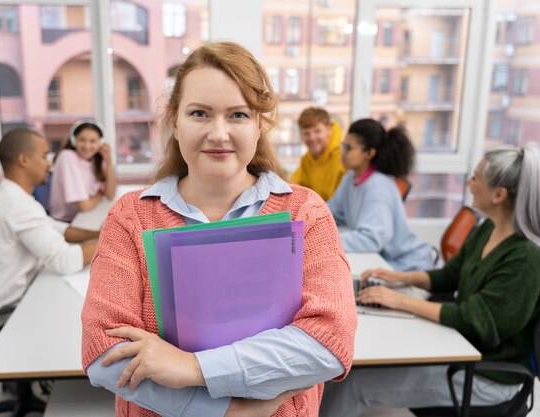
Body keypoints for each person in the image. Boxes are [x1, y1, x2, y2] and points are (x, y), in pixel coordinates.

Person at [81, 41, 357, 417]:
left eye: (238, 115)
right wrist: (229, 411)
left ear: (260, 125)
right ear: (175, 123)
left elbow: (330, 341)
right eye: (199, 114)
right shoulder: (131, 216)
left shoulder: (304, 212)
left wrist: (193, 369)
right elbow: (103, 350)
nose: (219, 133)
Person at [320, 143, 540, 417]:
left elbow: (477, 321)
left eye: (475, 178)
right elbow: (450, 276)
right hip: (462, 350)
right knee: (342, 371)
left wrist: (399, 300)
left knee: (355, 385)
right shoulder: (489, 228)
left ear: (498, 194)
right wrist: (400, 277)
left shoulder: (526, 257)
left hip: (488, 376)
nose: (469, 184)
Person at [0, 128, 99, 340]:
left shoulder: (8, 195)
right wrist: (114, 237)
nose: (49, 163)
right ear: (24, 160)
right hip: (2, 320)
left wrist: (98, 233)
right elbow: (65, 260)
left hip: (10, 301)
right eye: (43, 156)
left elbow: (57, 228)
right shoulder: (16, 205)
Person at [327, 118, 433, 271]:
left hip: (407, 267)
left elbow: (371, 239)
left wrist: (323, 239)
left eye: (348, 148)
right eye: (343, 146)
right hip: (382, 263)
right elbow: (330, 214)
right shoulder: (350, 178)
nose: (343, 153)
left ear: (369, 153)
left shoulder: (378, 187)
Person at [49, 119, 116, 222]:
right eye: (82, 140)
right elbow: (84, 206)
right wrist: (100, 194)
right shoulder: (67, 157)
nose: (87, 146)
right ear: (73, 140)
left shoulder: (96, 159)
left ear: (100, 143)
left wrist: (108, 161)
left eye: (92, 141)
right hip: (67, 221)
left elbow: (110, 194)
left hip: (87, 216)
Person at [289, 107, 346, 201]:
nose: (312, 138)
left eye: (317, 131)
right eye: (307, 133)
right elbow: (295, 185)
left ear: (329, 130)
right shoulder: (307, 160)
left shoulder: (343, 158)